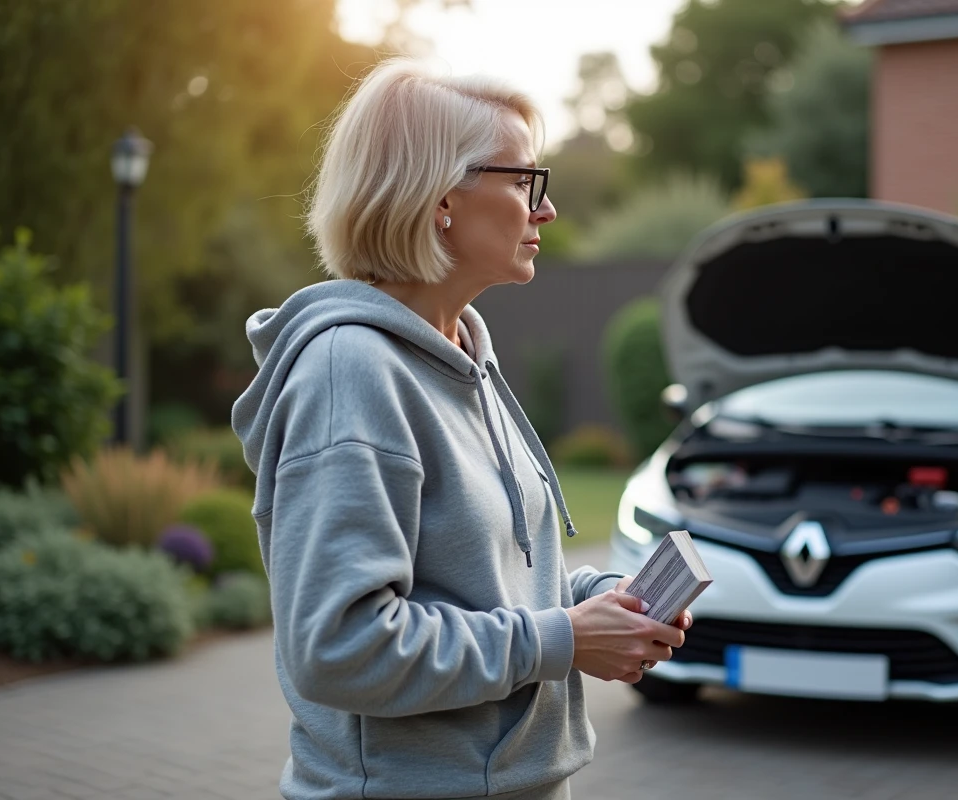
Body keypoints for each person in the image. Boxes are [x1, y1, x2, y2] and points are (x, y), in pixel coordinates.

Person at [231, 58, 692, 800]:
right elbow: (340, 647)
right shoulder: (350, 372)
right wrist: (564, 638)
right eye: (526, 181)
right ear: (441, 196)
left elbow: (487, 582)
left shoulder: (466, 360)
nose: (546, 210)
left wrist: (603, 598)